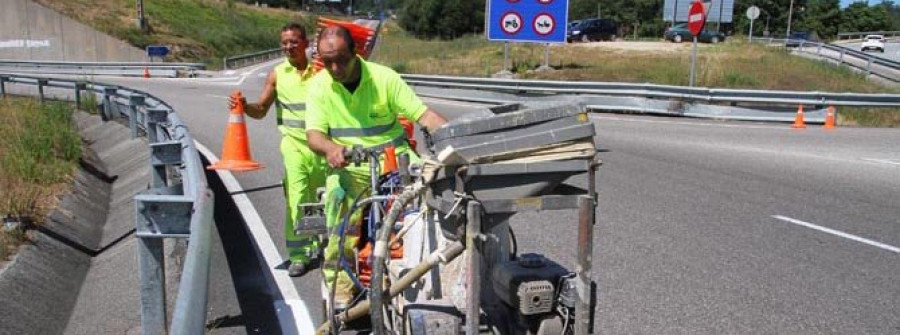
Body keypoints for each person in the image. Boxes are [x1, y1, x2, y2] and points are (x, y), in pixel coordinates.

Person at [305, 25, 448, 305]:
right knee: (338, 212)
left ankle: (417, 277)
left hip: (394, 165)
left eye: (341, 59)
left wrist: (459, 142)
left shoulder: (383, 78)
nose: (334, 67)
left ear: (355, 53)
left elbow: (425, 116)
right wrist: (332, 149)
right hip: (348, 169)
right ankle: (341, 287)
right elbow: (314, 136)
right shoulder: (319, 86)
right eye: (327, 60)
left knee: (425, 211)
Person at [228, 22, 326, 277]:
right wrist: (244, 105)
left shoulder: (321, 72)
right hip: (294, 147)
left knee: (326, 199)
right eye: (284, 42)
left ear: (306, 43)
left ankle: (323, 244)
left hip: (325, 149)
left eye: (294, 41)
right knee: (296, 199)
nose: (288, 47)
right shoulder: (278, 74)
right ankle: (298, 255)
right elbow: (260, 110)